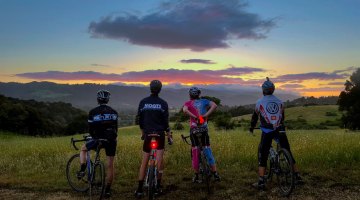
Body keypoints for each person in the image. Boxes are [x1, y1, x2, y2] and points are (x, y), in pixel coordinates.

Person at [250, 77, 304, 190]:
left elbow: (255, 117)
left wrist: (252, 127)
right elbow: (282, 117)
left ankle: (261, 182)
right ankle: (297, 176)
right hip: (280, 129)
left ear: (263, 90)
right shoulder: (280, 102)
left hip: (267, 130)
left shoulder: (259, 102)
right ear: (273, 90)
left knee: (263, 154)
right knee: (288, 151)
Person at [135, 80, 173, 198]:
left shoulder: (143, 102)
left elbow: (139, 120)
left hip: (147, 134)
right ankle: (158, 187)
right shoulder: (163, 103)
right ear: (160, 89)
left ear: (150, 88)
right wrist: (168, 133)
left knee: (144, 162)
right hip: (160, 134)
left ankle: (140, 189)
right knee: (160, 160)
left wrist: (143, 132)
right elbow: (165, 121)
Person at [77, 89, 118, 198]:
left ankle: (82, 169)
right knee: (110, 165)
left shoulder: (92, 112)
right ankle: (108, 190)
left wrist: (94, 136)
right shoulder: (114, 112)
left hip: (98, 140)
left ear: (98, 100)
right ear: (108, 100)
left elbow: (91, 130)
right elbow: (116, 129)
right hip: (111, 141)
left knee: (83, 149)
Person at [182, 86, 221, 183]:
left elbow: (185, 110)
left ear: (190, 95)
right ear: (199, 94)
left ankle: (196, 175)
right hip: (204, 129)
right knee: (207, 148)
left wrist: (194, 117)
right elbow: (215, 105)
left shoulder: (188, 103)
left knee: (195, 150)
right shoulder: (204, 101)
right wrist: (206, 115)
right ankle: (215, 173)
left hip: (194, 130)